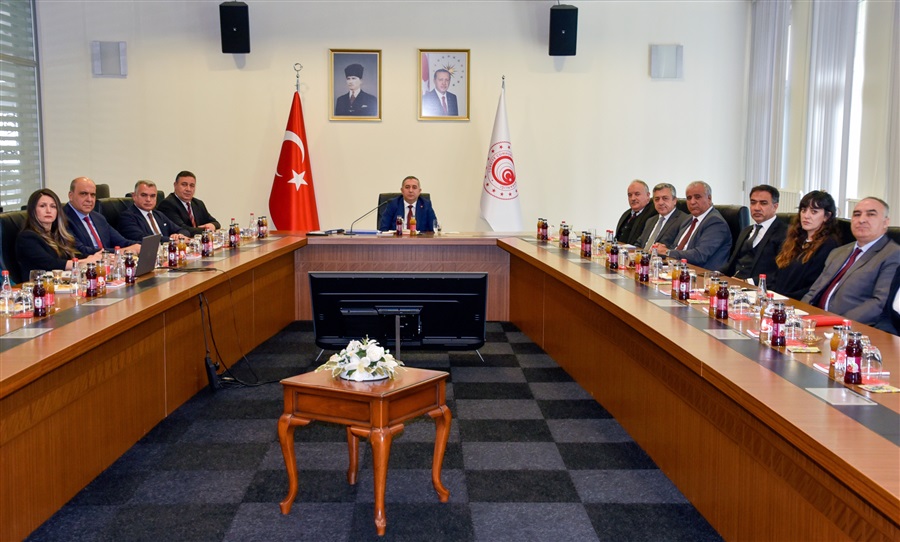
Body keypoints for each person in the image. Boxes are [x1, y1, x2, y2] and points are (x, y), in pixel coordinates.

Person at [803, 197, 900, 331]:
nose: (861, 220)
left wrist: (839, 323)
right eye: (857, 214)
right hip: (815, 322)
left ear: (885, 222)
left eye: (871, 214)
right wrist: (800, 315)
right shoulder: (838, 252)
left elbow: (879, 303)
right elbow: (814, 291)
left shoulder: (893, 254)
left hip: (849, 328)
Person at [16, 188, 101, 278]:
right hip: (39, 284)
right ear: (33, 210)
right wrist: (84, 262)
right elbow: (51, 264)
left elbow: (74, 255)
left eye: (53, 206)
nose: (48, 210)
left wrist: (95, 257)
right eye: (42, 206)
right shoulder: (27, 238)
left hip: (62, 282)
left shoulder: (57, 234)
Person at [773, 190, 841, 301]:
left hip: (798, 303)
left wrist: (783, 299)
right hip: (778, 299)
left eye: (814, 212)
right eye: (803, 210)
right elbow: (779, 274)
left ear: (827, 216)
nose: (806, 216)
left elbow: (813, 287)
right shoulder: (795, 239)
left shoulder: (828, 245)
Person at [655, 180, 732, 270]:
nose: (692, 202)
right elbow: (676, 246)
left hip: (702, 273)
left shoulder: (716, 222)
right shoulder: (689, 219)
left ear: (709, 198)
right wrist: (662, 248)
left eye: (697, 197)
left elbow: (699, 255)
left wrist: (668, 252)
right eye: (689, 198)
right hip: (677, 268)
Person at [720, 184, 787, 284]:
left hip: (758, 288)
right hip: (734, 284)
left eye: (763, 203)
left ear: (775, 206)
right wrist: (715, 274)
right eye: (753, 202)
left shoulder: (785, 234)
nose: (756, 208)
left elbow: (781, 273)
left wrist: (748, 282)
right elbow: (733, 263)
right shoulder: (746, 230)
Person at [63, 176, 140, 255]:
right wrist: (121, 251)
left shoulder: (98, 217)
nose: (89, 199)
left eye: (93, 195)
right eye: (83, 194)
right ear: (71, 196)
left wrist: (141, 246)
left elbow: (122, 242)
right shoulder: (62, 218)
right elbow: (81, 250)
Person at [118, 180, 190, 244]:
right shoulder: (127, 217)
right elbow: (142, 238)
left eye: (152, 196)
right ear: (134, 196)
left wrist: (179, 236)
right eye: (144, 195)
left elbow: (182, 230)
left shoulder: (158, 214)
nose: (148, 199)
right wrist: (172, 240)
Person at [157, 170, 221, 236]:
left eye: (192, 185)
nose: (188, 189)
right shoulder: (167, 204)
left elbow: (216, 223)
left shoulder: (198, 203)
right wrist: (207, 230)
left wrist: (212, 225)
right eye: (184, 185)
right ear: (175, 185)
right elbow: (183, 229)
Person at [635, 183, 689, 249]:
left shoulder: (684, 220)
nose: (660, 203)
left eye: (665, 198)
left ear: (674, 200)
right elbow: (639, 243)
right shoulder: (650, 220)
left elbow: (678, 248)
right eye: (657, 199)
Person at [614, 180, 657, 246]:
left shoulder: (654, 212)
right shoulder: (627, 214)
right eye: (630, 195)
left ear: (648, 195)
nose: (633, 198)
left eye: (637, 194)